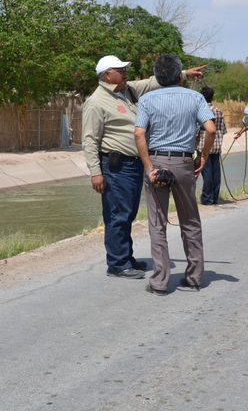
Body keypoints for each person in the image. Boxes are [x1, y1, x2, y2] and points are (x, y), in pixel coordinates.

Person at [82, 54, 204, 279]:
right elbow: (89, 140)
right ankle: (118, 264)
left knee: (128, 212)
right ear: (107, 75)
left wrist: (183, 74)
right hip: (116, 165)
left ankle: (126, 257)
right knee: (117, 214)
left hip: (134, 163)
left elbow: (152, 82)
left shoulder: (127, 90)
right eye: (121, 70)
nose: (125, 73)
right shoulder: (96, 102)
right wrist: (95, 173)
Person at [133, 53, 216, 296]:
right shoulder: (195, 97)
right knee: (190, 221)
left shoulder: (146, 99)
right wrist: (203, 156)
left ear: (157, 77)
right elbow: (210, 129)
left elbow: (139, 134)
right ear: (180, 75)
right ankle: (194, 277)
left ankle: (159, 282)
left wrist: (148, 167)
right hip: (184, 163)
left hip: (157, 162)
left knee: (157, 224)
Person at [196, 86, 227, 205]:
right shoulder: (218, 111)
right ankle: (215, 198)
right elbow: (223, 130)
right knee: (215, 172)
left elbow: (197, 130)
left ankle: (207, 198)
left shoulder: (201, 111)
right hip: (216, 145)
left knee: (206, 172)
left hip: (204, 146)